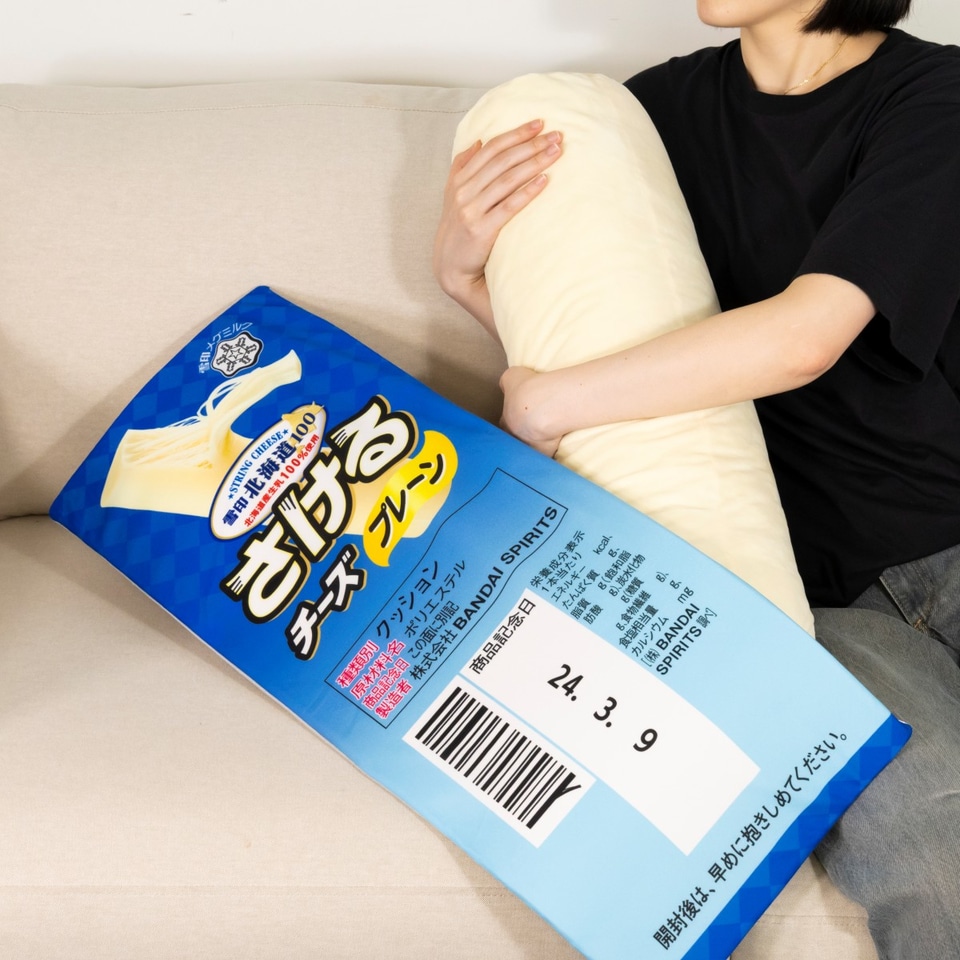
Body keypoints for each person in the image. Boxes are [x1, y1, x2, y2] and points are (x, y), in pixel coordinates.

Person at [432, 2, 960, 958]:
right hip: (807, 607)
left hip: (947, 538)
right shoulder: (648, 117)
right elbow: (601, 342)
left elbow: (805, 337)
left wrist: (546, 404)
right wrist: (466, 277)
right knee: (936, 859)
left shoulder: (935, 99)